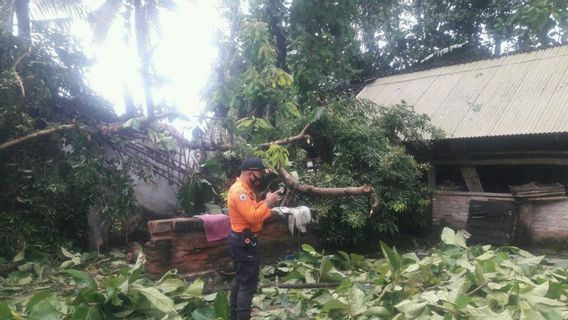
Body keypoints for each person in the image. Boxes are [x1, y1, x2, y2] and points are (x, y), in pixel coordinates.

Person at [227, 157, 281, 320]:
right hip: (244, 244)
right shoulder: (240, 192)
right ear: (250, 173)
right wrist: (268, 204)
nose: (260, 179)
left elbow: (254, 210)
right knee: (247, 284)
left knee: (241, 278)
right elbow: (252, 217)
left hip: (243, 241)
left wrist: (266, 203)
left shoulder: (245, 189)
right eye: (259, 175)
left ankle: (234, 314)